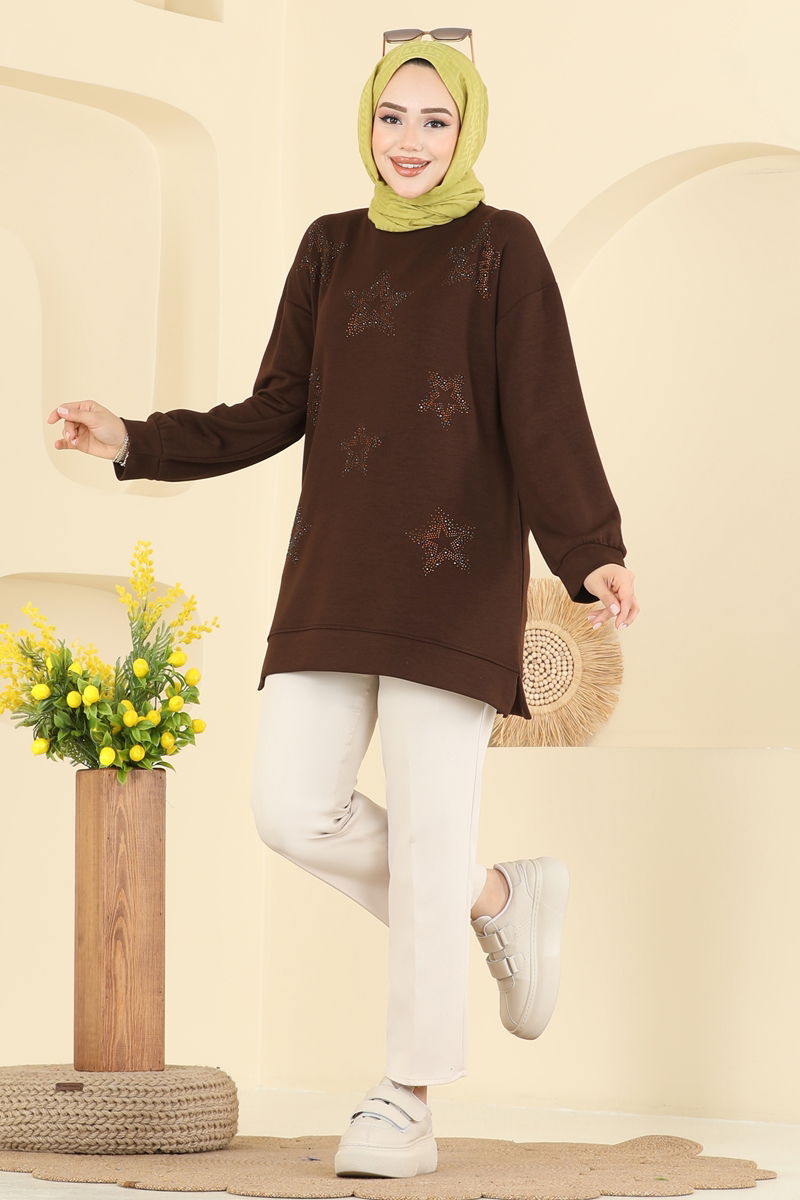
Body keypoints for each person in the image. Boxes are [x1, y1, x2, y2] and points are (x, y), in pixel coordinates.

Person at [46, 31, 639, 1181]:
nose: (408, 141)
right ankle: (495, 898)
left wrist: (589, 552)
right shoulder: (329, 247)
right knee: (290, 809)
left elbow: (543, 410)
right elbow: (272, 409)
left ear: (465, 129)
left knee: (424, 830)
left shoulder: (501, 249)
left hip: (452, 583)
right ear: (365, 124)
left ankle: (405, 1099)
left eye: (433, 120)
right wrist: (134, 438)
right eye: (389, 117)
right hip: (333, 573)